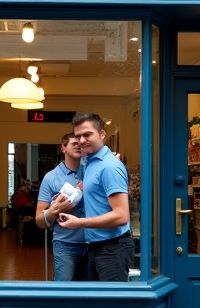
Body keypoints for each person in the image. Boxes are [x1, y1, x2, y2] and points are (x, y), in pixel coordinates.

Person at [58, 112, 133, 282]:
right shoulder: (90, 161)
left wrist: (79, 223)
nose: (82, 140)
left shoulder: (109, 167)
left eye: (87, 134)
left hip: (113, 248)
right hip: (98, 246)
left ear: (101, 134)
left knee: (112, 306)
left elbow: (121, 216)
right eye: (78, 136)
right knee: (99, 304)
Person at [35, 133, 88, 281]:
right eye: (74, 143)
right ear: (63, 148)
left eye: (81, 144)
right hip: (65, 245)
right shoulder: (51, 178)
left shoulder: (93, 172)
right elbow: (39, 221)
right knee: (63, 292)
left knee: (89, 296)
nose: (78, 146)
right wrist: (54, 210)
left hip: (94, 244)